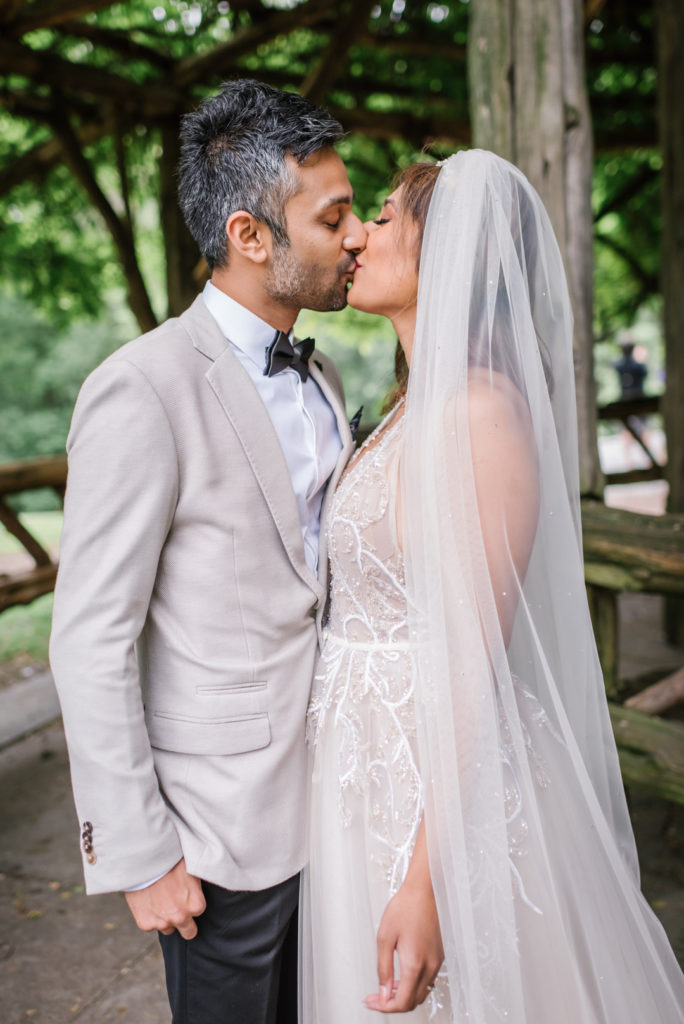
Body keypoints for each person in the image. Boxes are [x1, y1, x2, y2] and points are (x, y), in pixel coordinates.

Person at [302, 151, 684, 1022]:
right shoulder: (409, 406)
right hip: (369, 771)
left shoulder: (480, 414)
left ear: (452, 253)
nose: (358, 235)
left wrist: (431, 882)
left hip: (440, 791)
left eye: (388, 216)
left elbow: (472, 659)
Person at [49, 79, 366, 1024]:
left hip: (344, 809)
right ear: (251, 235)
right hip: (220, 837)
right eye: (334, 216)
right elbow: (88, 639)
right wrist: (142, 856)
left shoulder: (326, 369)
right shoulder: (139, 391)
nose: (356, 236)